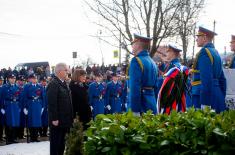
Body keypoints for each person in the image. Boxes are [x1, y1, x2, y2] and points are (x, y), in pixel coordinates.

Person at [191, 26, 226, 113]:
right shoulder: (216, 52)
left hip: (204, 98)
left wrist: (205, 104)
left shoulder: (204, 52)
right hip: (217, 95)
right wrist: (221, 96)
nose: (196, 39)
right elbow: (222, 79)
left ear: (204, 38)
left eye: (198, 37)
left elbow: (206, 80)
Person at [128, 33, 158, 115]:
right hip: (152, 105)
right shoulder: (153, 62)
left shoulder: (136, 61)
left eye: (133, 43)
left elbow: (135, 88)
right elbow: (156, 87)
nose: (132, 46)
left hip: (140, 107)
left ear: (138, 45)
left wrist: (135, 110)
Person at [47, 63, 73, 155]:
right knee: (56, 145)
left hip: (65, 120)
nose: (68, 72)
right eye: (66, 70)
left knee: (62, 145)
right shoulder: (53, 84)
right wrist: (54, 118)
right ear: (59, 71)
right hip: (57, 121)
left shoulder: (64, 83)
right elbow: (52, 103)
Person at [157, 45, 188, 114]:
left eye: (168, 51)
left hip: (171, 100)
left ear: (172, 53)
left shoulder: (173, 66)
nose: (166, 53)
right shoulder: (175, 65)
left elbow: (165, 84)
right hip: (177, 99)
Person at [22, 74, 44, 142]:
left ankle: (36, 137)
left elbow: (43, 97)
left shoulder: (40, 86)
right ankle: (32, 137)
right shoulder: (27, 86)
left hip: (38, 105)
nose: (34, 79)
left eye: (35, 78)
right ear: (30, 79)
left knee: (37, 121)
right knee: (31, 121)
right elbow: (24, 97)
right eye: (33, 78)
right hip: (30, 104)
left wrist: (42, 106)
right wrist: (25, 107)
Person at [1, 74, 22, 144]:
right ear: (8, 79)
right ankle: (8, 139)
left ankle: (13, 138)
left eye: (14, 78)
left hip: (15, 106)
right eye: (11, 78)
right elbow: (1, 98)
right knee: (9, 122)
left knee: (15, 123)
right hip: (8, 106)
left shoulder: (17, 87)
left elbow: (19, 97)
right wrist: (1, 108)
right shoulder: (4, 87)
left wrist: (19, 106)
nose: (13, 79)